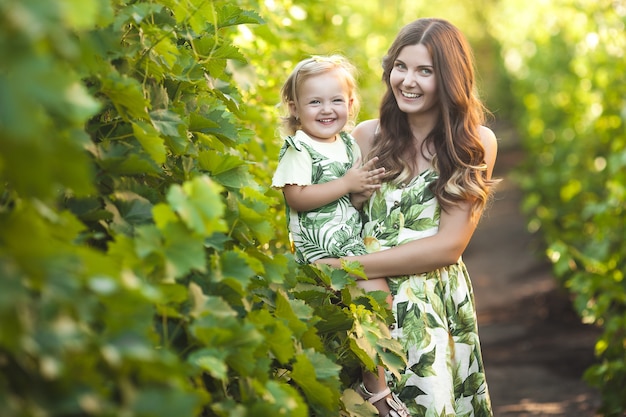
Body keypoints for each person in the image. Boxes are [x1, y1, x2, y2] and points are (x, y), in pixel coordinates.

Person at [317, 18, 500, 416]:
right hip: (364, 307)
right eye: (401, 67)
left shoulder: (474, 144)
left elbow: (448, 247)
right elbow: (334, 222)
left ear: (450, 79)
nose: (408, 81)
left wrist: (348, 267)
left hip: (429, 308)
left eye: (425, 71)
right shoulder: (366, 138)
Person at [271, 55, 410, 417]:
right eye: (315, 102)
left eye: (336, 100)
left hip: (347, 245)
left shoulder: (348, 145)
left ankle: (374, 382)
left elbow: (349, 199)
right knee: (360, 304)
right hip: (317, 250)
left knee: (377, 303)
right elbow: (296, 197)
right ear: (295, 108)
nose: (326, 109)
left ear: (350, 104)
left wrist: (361, 192)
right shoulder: (299, 148)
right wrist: (347, 183)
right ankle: (376, 391)